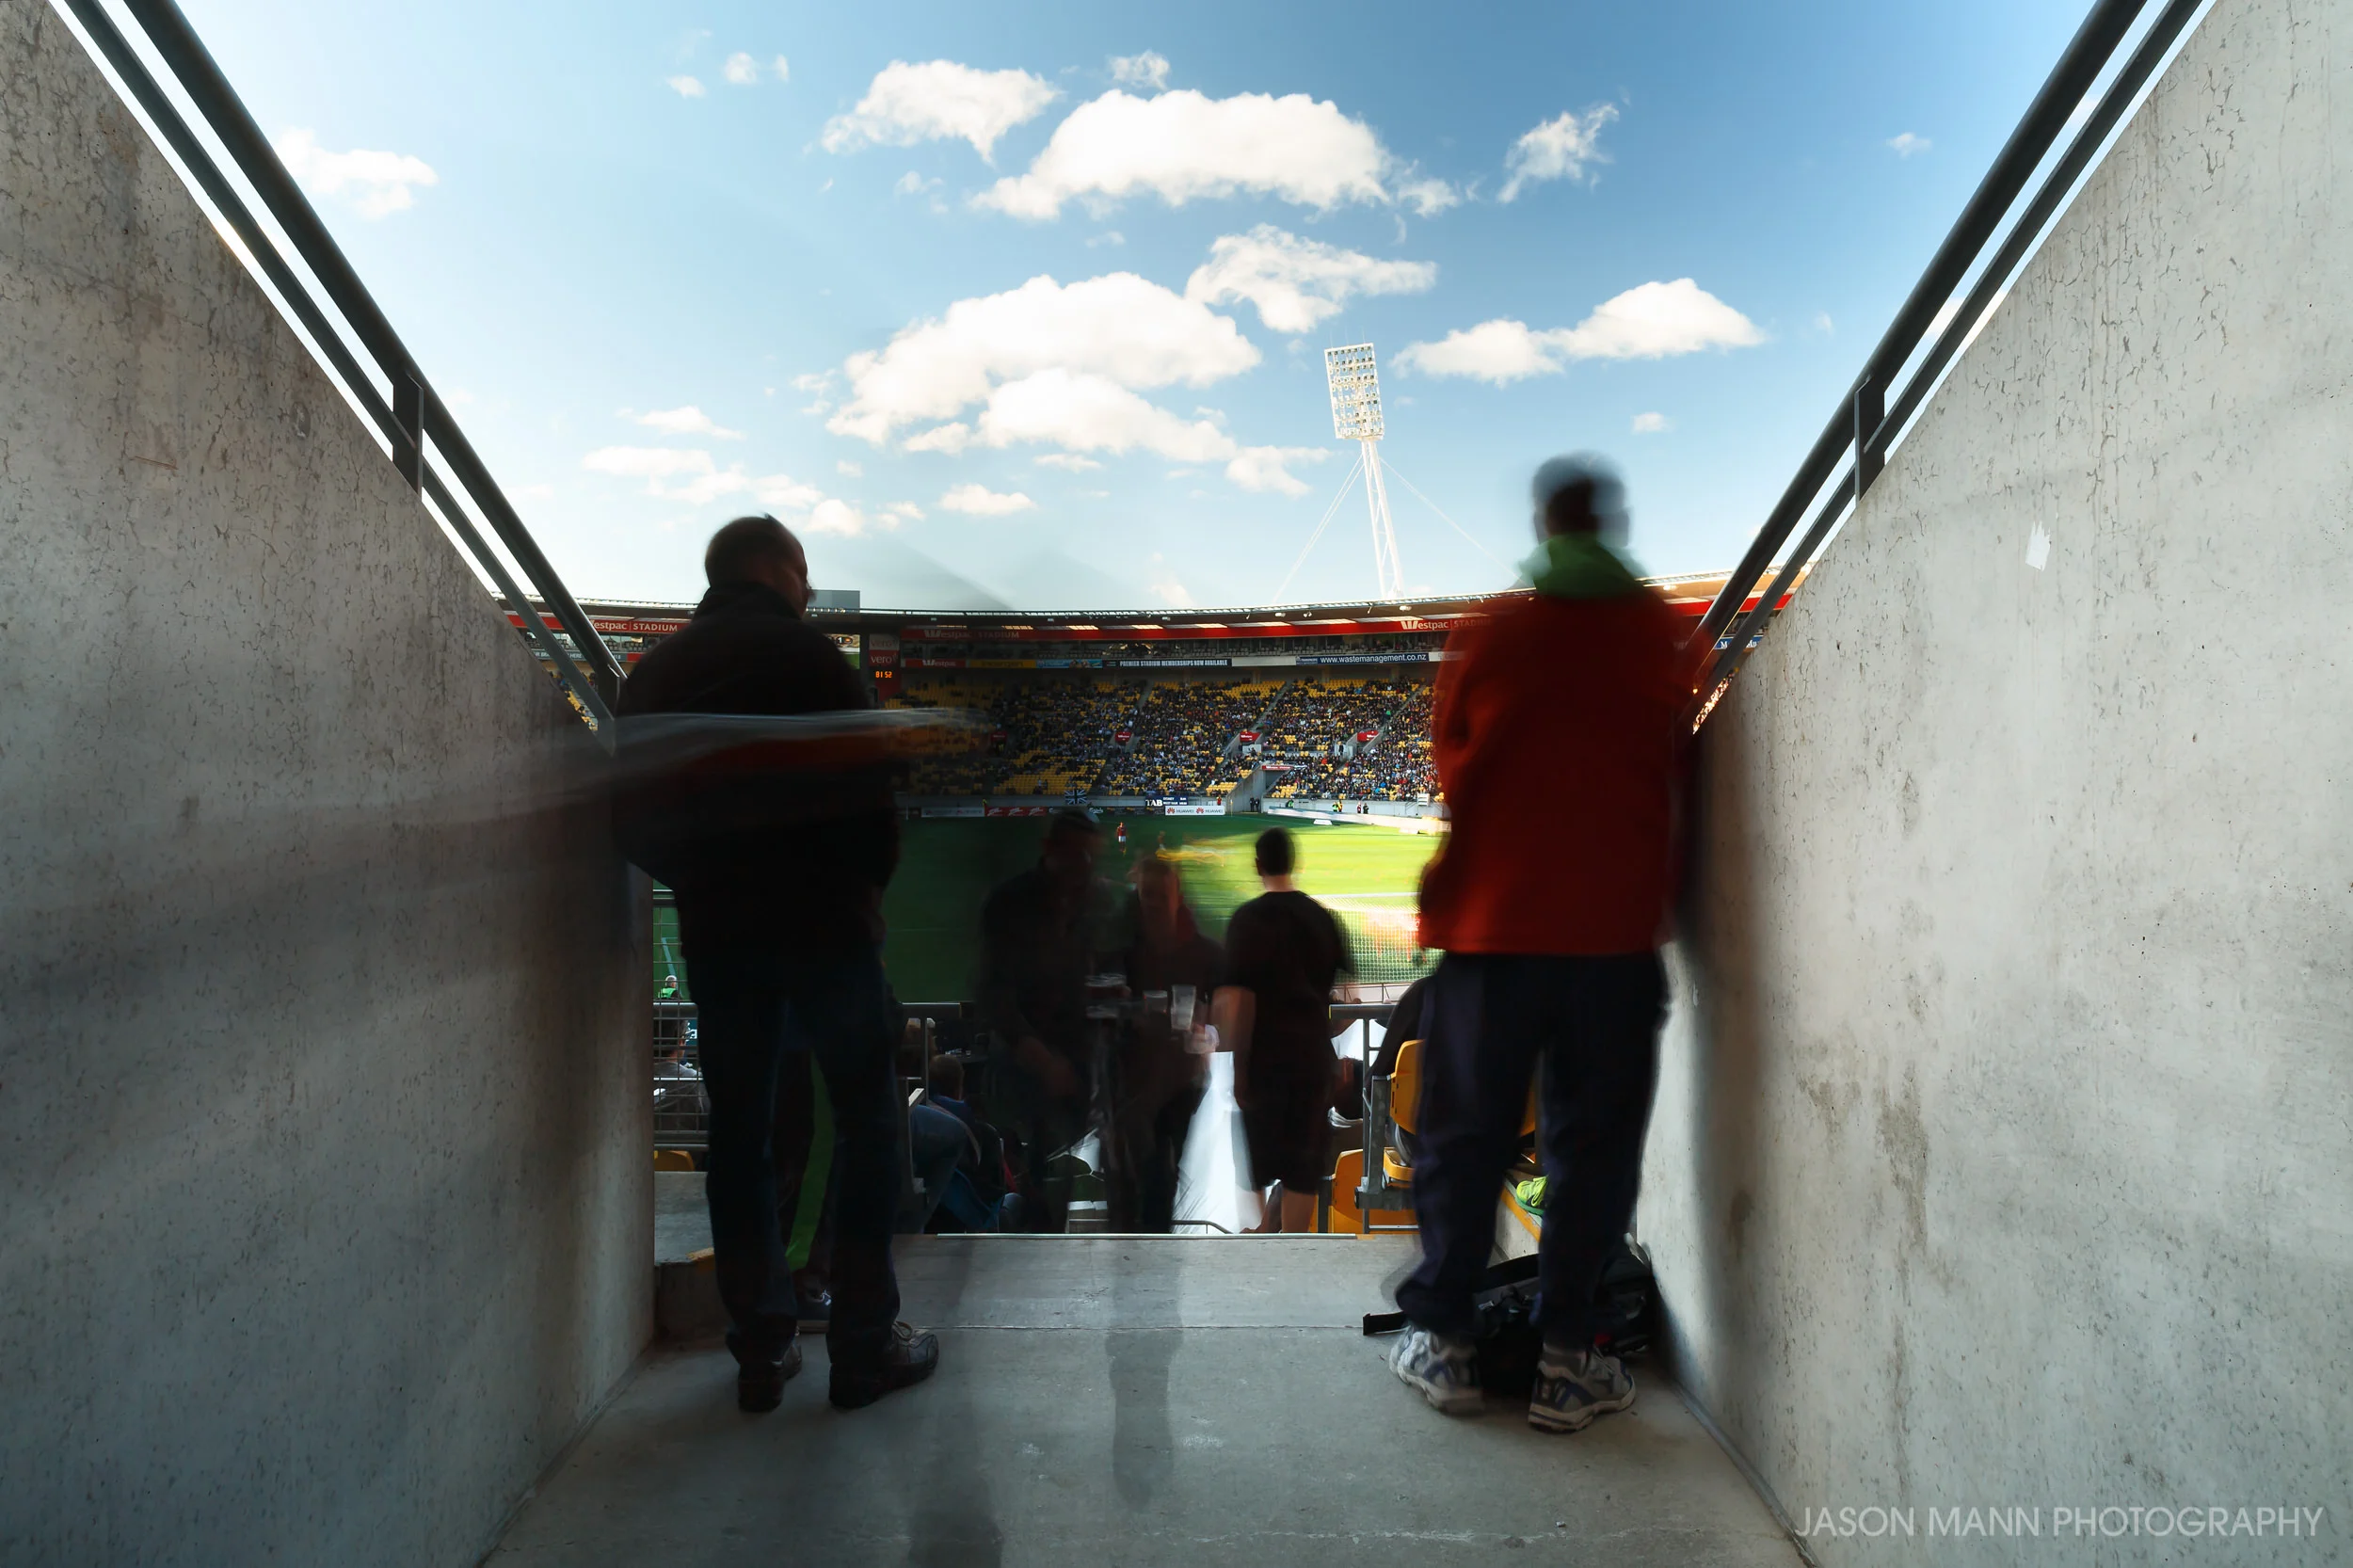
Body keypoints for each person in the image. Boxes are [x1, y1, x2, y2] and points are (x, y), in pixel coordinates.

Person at [1388, 456, 1696, 1435]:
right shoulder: (1660, 636)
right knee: (1591, 1151)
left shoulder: (1494, 632)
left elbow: (1453, 762)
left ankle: (1445, 1340)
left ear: (1540, 523)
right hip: (1610, 934)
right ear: (1609, 522)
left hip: (1494, 928)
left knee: (1464, 1136)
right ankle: (1569, 1360)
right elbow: (1676, 765)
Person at [615, 514, 937, 1414]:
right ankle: (863, 1350)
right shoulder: (815, 661)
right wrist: (858, 896)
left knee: (742, 1143)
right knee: (872, 1130)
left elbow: (630, 820)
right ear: (787, 570)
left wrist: (708, 880)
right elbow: (876, 807)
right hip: (829, 932)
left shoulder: (657, 673)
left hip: (725, 938)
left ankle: (760, 1352)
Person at [977, 810, 1119, 1232]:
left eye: (1091, 857)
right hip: (1024, 1068)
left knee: (1059, 1178)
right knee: (1030, 1178)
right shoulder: (1011, 903)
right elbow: (994, 993)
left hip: (1080, 1066)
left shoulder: (1098, 902)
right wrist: (1040, 1057)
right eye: (1076, 855)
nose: (1085, 867)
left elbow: (1105, 973)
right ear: (1050, 850)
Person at [1216, 827, 1353, 1236]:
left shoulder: (1246, 921)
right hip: (1311, 1063)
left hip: (1264, 1064)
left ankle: (1258, 1247)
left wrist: (1239, 1071)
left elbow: (1240, 1003)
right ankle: (1292, 1249)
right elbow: (1343, 1004)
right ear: (1293, 863)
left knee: (1254, 1167)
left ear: (1258, 865)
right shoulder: (1321, 917)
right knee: (1302, 1171)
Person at [1104, 856, 1222, 1233]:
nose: (1152, 903)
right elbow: (1099, 999)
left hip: (1180, 1082)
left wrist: (1205, 1028)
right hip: (1133, 1083)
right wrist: (1130, 1009)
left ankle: (1154, 1248)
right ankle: (1140, 1246)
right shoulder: (1123, 947)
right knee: (1142, 1175)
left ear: (1177, 897)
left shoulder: (1201, 950)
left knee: (1163, 1175)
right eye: (1146, 895)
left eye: (1160, 894)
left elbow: (1219, 1009)